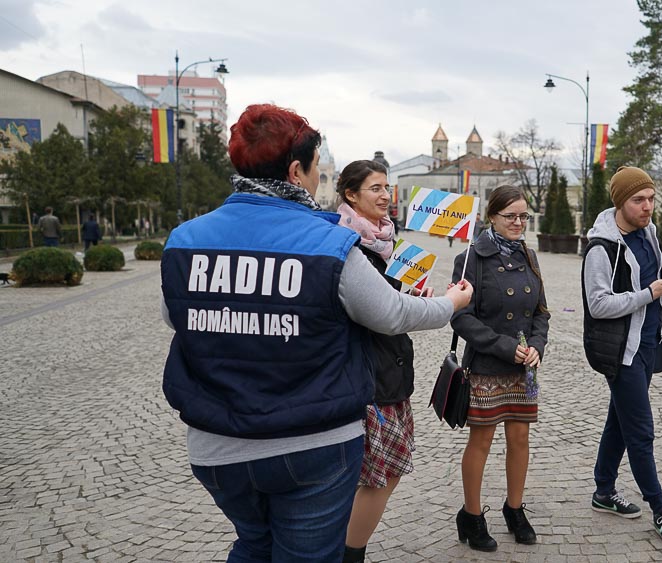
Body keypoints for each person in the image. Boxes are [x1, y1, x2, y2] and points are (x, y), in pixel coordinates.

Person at [159, 104, 474, 562]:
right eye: (313, 167)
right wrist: (450, 304)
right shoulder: (330, 244)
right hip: (311, 445)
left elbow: (177, 317)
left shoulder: (185, 240)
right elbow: (391, 314)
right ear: (295, 172)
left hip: (217, 447)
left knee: (254, 544)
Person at [581, 166, 662, 544]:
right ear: (620, 203)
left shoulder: (649, 232)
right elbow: (598, 305)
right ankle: (660, 509)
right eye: (638, 200)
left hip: (649, 344)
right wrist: (649, 294)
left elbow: (652, 271)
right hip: (621, 351)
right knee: (640, 431)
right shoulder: (601, 248)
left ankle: (603, 490)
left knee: (620, 421)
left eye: (651, 199)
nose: (647, 207)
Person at [337, 159, 431, 563]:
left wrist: (411, 299)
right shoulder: (347, 246)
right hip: (369, 379)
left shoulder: (384, 243)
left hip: (391, 371)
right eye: (375, 188)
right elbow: (372, 312)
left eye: (386, 187)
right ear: (350, 194)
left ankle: (344, 548)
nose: (385, 195)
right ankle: (348, 554)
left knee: (385, 472)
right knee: (380, 475)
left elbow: (388, 303)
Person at [451, 185, 550, 552]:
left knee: (520, 439)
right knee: (482, 441)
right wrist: (508, 349)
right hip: (488, 364)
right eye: (510, 216)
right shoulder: (470, 258)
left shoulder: (529, 255)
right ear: (492, 216)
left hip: (525, 368)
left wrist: (537, 346)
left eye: (524, 216)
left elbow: (541, 312)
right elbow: (461, 318)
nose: (518, 222)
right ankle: (472, 515)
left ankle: (514, 509)